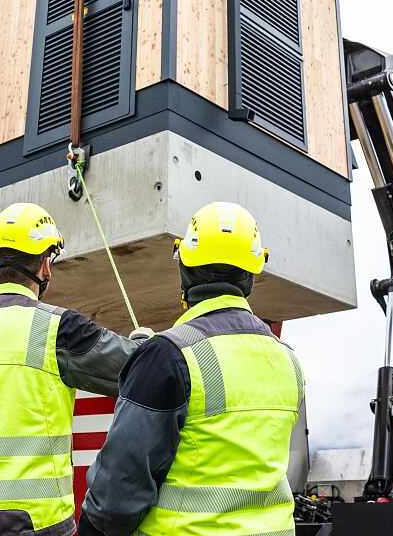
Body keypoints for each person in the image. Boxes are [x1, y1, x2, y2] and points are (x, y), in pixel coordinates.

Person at [0, 202, 145, 536]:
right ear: (45, 268)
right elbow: (137, 370)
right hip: (38, 525)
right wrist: (144, 345)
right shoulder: (59, 330)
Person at [78, 202, 306, 536]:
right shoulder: (289, 360)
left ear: (185, 268)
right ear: (251, 276)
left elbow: (119, 489)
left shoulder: (170, 356)